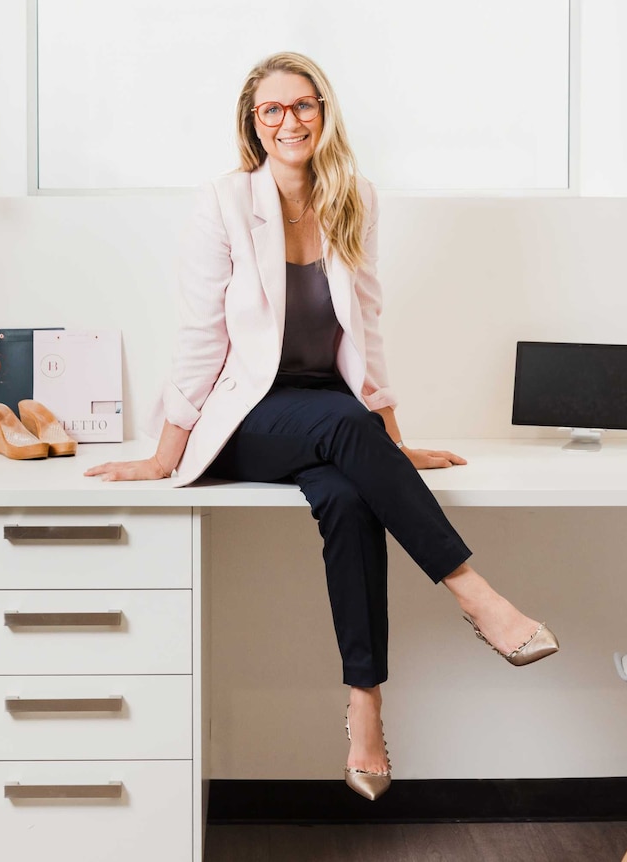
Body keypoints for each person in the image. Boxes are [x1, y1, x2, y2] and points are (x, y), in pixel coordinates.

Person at [85, 51, 559, 801]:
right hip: (247, 417)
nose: (288, 122)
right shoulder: (224, 201)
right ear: (252, 124)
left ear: (324, 112)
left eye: (301, 106)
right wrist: (164, 452)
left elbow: (364, 328)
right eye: (270, 110)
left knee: (347, 497)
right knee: (344, 428)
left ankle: (364, 712)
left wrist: (392, 447)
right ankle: (477, 595)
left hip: (330, 417)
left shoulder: (354, 197)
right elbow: (202, 335)